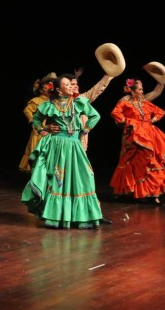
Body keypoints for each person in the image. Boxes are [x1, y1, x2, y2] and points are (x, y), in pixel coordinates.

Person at [21, 75, 104, 229]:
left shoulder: (78, 103)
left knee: (82, 177)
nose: (72, 87)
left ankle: (81, 216)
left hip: (74, 146)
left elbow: (95, 116)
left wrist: (83, 131)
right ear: (58, 90)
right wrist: (44, 129)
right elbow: (36, 119)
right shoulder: (49, 106)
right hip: (57, 145)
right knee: (58, 179)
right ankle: (56, 217)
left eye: (72, 84)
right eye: (67, 84)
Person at [110, 78, 165, 205]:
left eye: (142, 89)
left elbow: (157, 100)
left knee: (151, 161)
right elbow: (115, 114)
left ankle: (153, 195)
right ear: (132, 91)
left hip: (147, 135)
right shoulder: (125, 101)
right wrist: (128, 122)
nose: (143, 91)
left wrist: (152, 121)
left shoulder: (144, 101)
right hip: (132, 137)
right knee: (133, 163)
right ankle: (133, 192)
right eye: (140, 89)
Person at [19, 73, 57, 172]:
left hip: (52, 130)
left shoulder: (54, 101)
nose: (49, 90)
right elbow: (27, 110)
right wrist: (34, 121)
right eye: (46, 87)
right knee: (37, 151)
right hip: (39, 130)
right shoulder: (37, 100)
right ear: (41, 89)